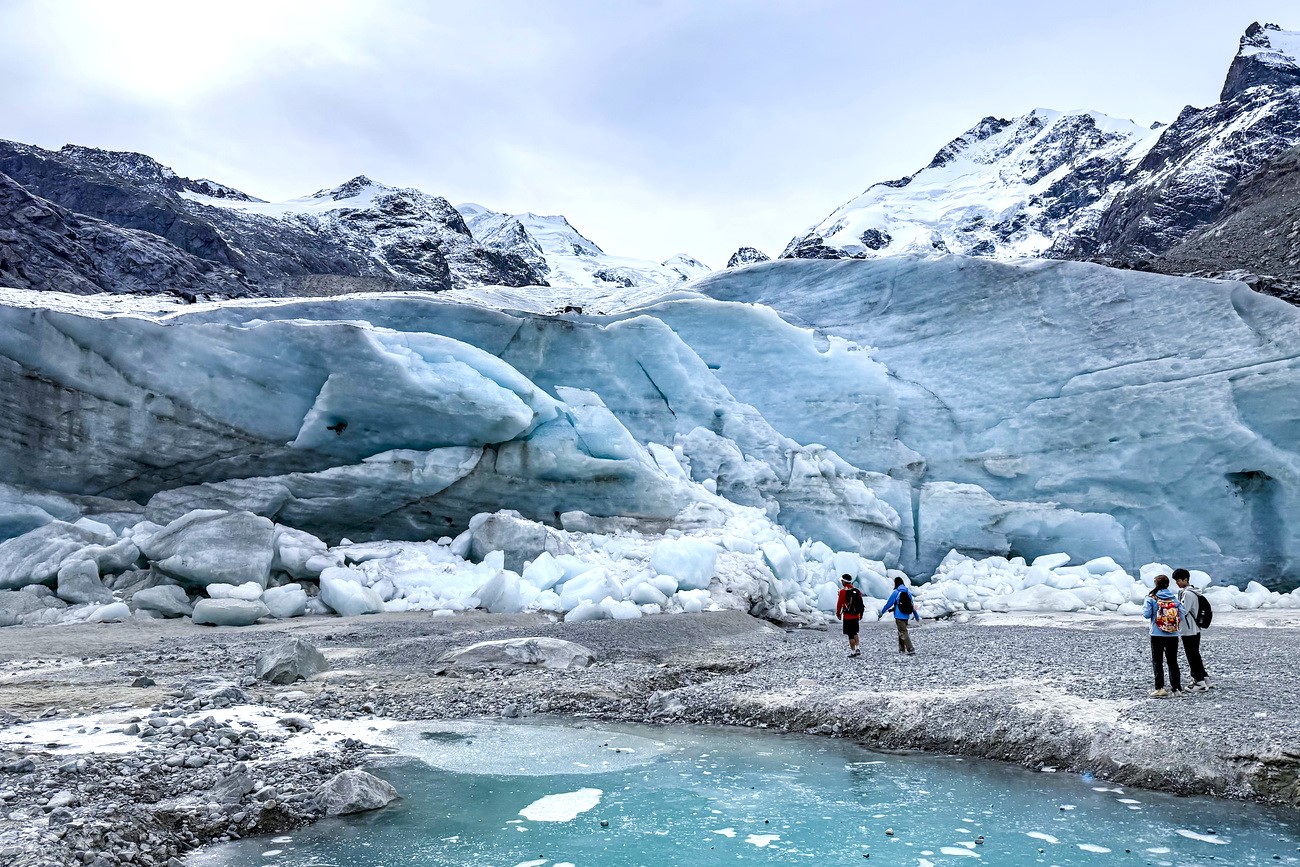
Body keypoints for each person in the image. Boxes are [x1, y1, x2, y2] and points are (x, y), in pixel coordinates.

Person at [1143, 574, 1185, 697]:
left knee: (1157, 661)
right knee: (1172, 661)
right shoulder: (1173, 598)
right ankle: (1176, 689)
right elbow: (1182, 614)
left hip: (1156, 633)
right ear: (1168, 584)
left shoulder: (1151, 598)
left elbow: (1146, 614)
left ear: (1156, 584)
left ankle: (1160, 688)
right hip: (1172, 634)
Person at [1173, 568, 1211, 691]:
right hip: (1195, 629)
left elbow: (1183, 611)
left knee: (1191, 655)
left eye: (1179, 580)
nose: (1177, 583)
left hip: (1188, 629)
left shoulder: (1187, 594)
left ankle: (1199, 683)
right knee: (1195, 654)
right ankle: (1205, 678)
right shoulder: (1194, 592)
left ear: (1186, 579)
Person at [878, 575, 920, 655]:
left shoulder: (896, 592)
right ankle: (901, 648)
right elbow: (911, 604)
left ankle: (910, 648)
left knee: (903, 631)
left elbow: (889, 603)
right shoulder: (908, 592)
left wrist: (883, 611)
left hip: (898, 615)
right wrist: (916, 615)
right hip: (906, 615)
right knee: (901, 631)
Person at [835, 574, 865, 657]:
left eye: (842, 581)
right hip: (856, 616)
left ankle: (853, 652)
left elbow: (839, 604)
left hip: (848, 616)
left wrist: (838, 613)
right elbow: (861, 604)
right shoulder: (857, 591)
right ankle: (858, 648)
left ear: (844, 581)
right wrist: (861, 614)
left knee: (850, 635)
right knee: (855, 632)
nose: (841, 582)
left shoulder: (842, 591)